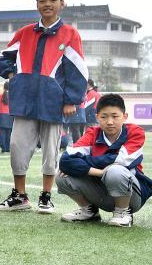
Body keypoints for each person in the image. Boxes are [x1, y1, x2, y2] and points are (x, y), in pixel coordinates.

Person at [0, 0, 87, 213]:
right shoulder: (24, 32)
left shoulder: (70, 34)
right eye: (43, 0)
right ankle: (20, 196)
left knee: (51, 149)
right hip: (24, 99)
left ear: (62, 4)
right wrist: (11, 74)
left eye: (53, 0)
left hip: (53, 102)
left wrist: (71, 100)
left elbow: (78, 70)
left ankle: (46, 196)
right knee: (17, 146)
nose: (47, 4)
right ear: (37, 4)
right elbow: (4, 56)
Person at [57, 93, 151, 227]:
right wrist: (100, 172)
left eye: (115, 116)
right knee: (61, 175)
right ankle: (89, 211)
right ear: (97, 118)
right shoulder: (93, 133)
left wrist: (84, 161)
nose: (110, 121)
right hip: (102, 192)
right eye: (104, 117)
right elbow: (66, 160)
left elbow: (121, 160)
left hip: (131, 197)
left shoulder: (135, 132)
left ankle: (123, 213)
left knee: (115, 170)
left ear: (125, 117)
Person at [0, 82, 12, 153]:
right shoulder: (13, 96)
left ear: (4, 87)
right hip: (10, 115)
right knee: (9, 133)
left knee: (2, 133)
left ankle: (3, 148)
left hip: (1, 115)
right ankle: (8, 148)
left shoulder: (0, 96)